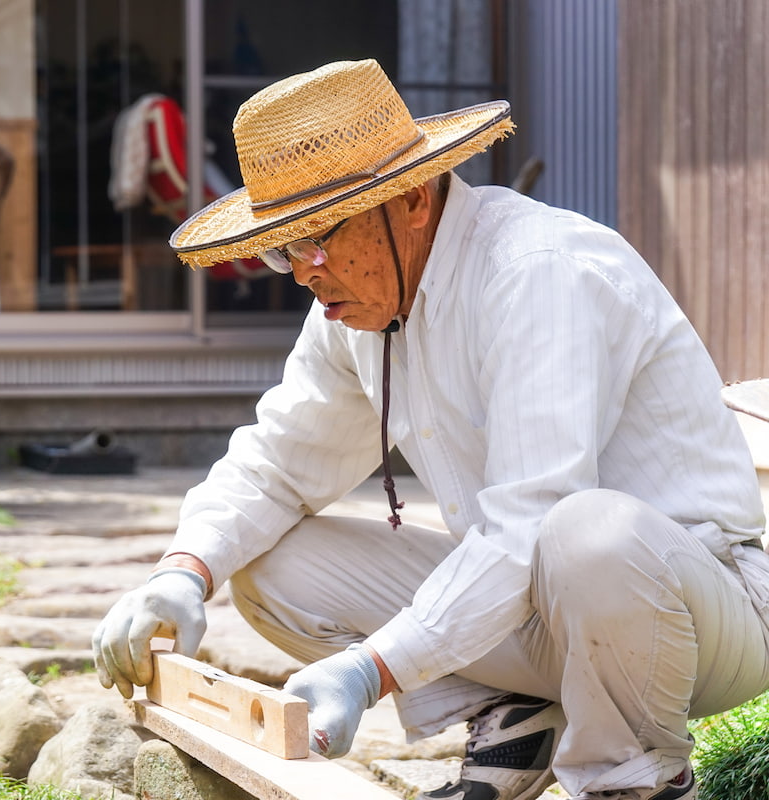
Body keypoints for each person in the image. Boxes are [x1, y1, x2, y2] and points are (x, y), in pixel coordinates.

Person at [92, 59, 769, 800]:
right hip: (552, 611)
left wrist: (372, 668)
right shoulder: (353, 308)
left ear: (411, 199)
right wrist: (180, 574)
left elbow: (530, 523)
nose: (301, 272)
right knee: (269, 567)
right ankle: (518, 718)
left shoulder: (538, 273)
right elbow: (276, 466)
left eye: (315, 237)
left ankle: (634, 777)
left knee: (588, 533)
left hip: (701, 616)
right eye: (282, 247)